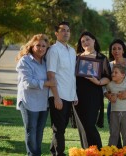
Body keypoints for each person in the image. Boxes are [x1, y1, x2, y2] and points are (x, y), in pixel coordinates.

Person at [16, 34, 55, 156]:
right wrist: (47, 83)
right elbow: (28, 82)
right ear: (32, 46)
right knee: (31, 131)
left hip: (43, 102)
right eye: (38, 45)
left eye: (44, 46)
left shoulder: (46, 62)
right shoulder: (25, 60)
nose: (41, 48)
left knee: (39, 131)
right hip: (29, 101)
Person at [46, 21, 78, 156]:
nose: (66, 32)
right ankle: (59, 153)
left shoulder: (72, 51)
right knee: (59, 127)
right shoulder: (53, 50)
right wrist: (56, 97)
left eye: (68, 30)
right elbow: (50, 75)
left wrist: (74, 95)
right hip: (58, 95)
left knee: (62, 126)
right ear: (56, 33)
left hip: (69, 95)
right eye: (63, 30)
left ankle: (54, 151)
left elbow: (71, 75)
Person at [75, 31, 111, 148]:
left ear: (94, 40)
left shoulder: (101, 58)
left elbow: (108, 77)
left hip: (93, 96)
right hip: (77, 97)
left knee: (89, 124)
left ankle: (98, 151)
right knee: (82, 126)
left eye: (87, 39)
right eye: (82, 41)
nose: (85, 42)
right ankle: (86, 152)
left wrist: (99, 82)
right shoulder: (77, 58)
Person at [106, 64, 126, 148]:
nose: (113, 74)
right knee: (113, 134)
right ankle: (111, 152)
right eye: (112, 72)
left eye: (116, 72)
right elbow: (106, 92)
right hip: (114, 112)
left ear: (123, 75)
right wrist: (110, 96)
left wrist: (123, 94)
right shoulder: (110, 84)